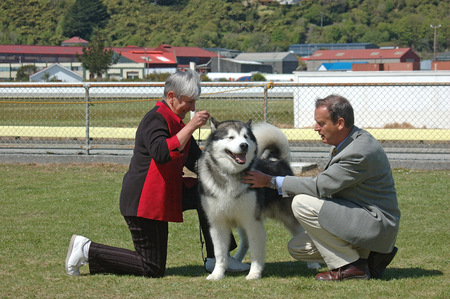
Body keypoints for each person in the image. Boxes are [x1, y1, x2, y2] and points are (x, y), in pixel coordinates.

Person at [65, 69, 249, 278]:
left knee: (205, 193)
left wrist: (234, 174)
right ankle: (87, 249)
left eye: (194, 103)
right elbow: (161, 153)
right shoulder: (155, 119)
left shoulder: (177, 124)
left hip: (165, 194)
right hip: (144, 200)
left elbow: (199, 163)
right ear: (171, 97)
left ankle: (217, 258)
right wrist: (191, 126)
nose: (193, 108)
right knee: (151, 268)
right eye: (189, 102)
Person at [242, 94, 400, 281]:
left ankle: (351, 267)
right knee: (298, 248)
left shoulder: (358, 151)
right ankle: (370, 258)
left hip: (374, 224)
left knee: (301, 203)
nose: (316, 128)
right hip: (360, 219)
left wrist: (270, 180)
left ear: (340, 123)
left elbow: (320, 187)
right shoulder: (352, 141)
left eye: (321, 123)